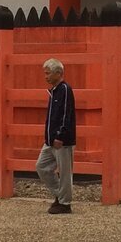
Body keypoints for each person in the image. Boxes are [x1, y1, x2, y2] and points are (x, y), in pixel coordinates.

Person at [36, 57, 76, 214]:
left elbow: (67, 114)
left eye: (48, 73)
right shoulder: (53, 91)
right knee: (41, 166)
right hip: (50, 140)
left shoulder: (65, 89)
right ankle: (60, 195)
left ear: (58, 73)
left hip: (62, 140)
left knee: (65, 172)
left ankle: (65, 203)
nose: (46, 76)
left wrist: (60, 134)